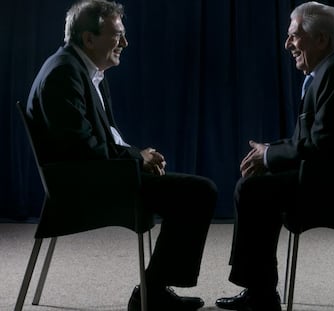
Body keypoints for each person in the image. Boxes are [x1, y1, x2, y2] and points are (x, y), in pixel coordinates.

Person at [25, 1, 217, 310]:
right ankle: (151, 294)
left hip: (100, 174)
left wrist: (138, 158)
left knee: (191, 191)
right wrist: (137, 158)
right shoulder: (64, 74)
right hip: (84, 187)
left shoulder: (84, 70)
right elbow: (82, 148)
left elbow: (100, 140)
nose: (125, 43)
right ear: (89, 39)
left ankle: (152, 291)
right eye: (117, 35)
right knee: (198, 193)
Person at [215, 2, 334, 311]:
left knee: (252, 190)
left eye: (294, 36)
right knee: (260, 185)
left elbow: (321, 146)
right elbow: (312, 141)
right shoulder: (330, 70)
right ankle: (260, 291)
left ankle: (260, 294)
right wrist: (268, 153)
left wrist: (270, 156)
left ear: (321, 40)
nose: (288, 44)